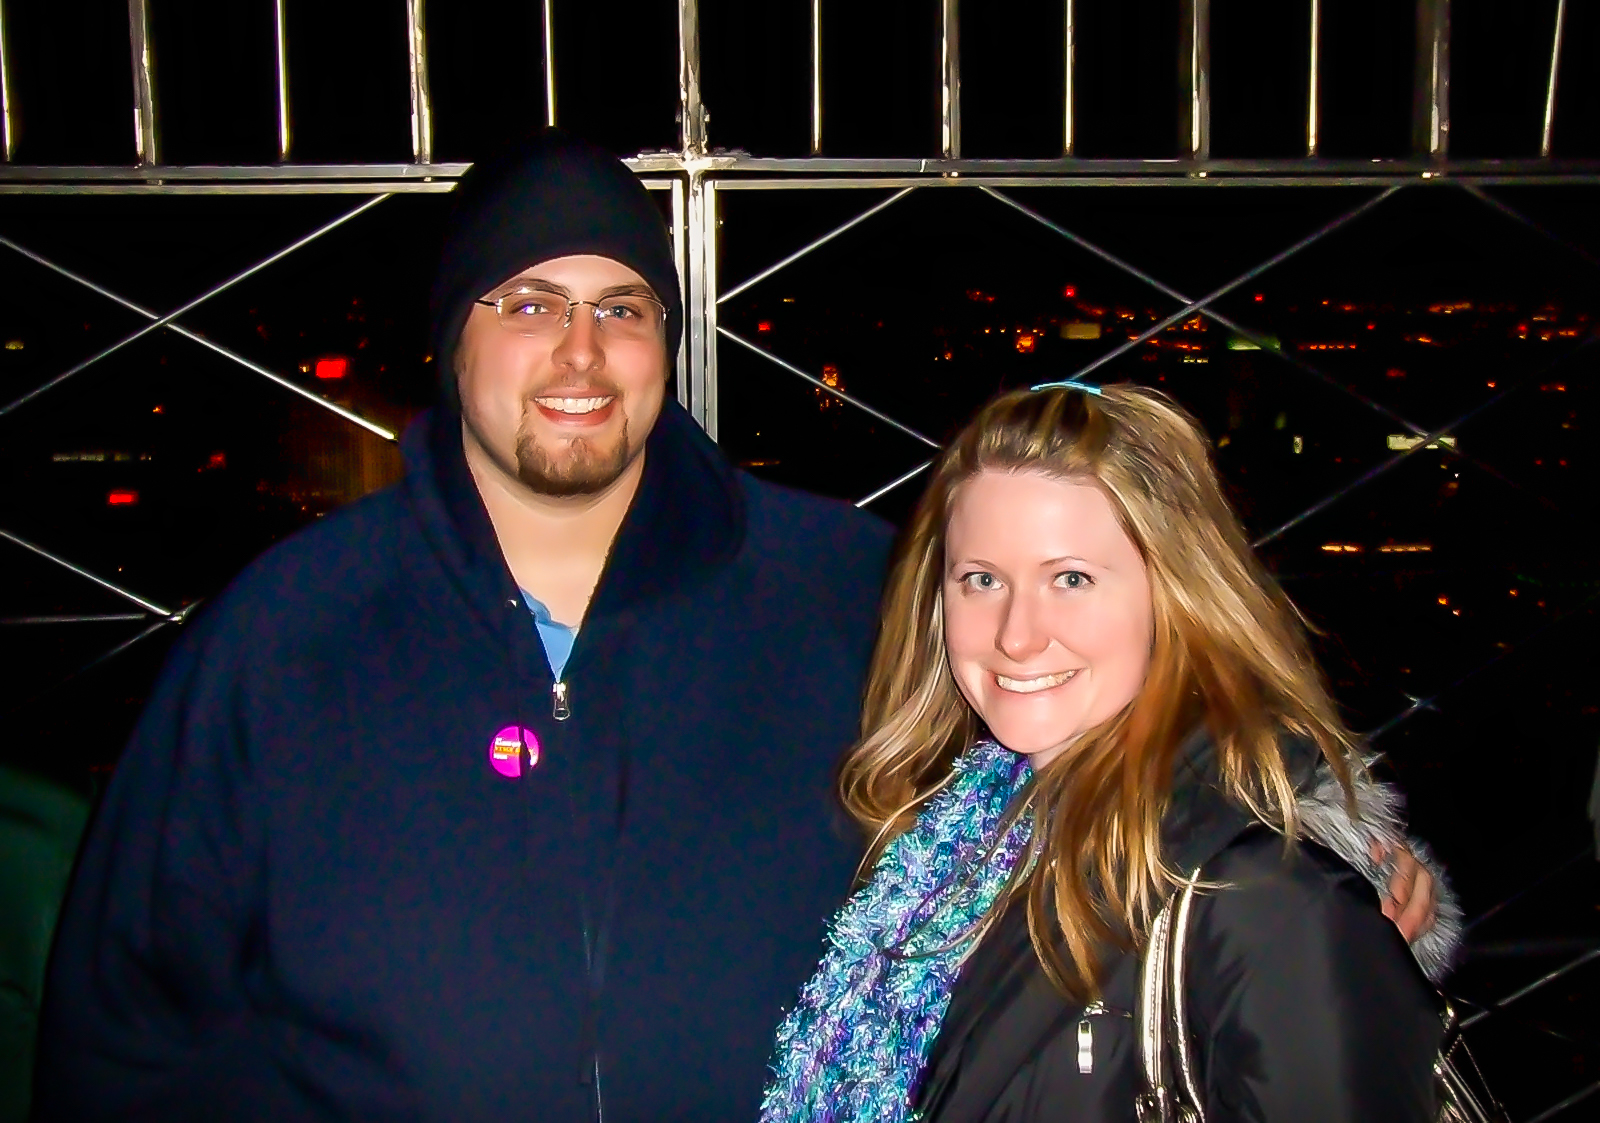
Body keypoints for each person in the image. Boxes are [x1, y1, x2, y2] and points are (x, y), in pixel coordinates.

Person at [33, 137, 1441, 1123]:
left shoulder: (843, 580)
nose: (578, 352)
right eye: (526, 303)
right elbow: (125, 1035)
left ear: (667, 339)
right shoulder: (284, 634)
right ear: (454, 338)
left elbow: (1084, 707)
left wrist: (1324, 828)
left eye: (622, 306)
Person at [763, 382, 1461, 1123]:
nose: (1016, 634)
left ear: (1176, 593)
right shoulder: (950, 849)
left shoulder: (1262, 900)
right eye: (981, 579)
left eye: (1071, 578)